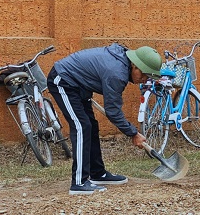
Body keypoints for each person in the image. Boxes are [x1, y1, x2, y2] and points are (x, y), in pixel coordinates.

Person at [47, 43, 162, 195]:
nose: (144, 79)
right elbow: (113, 111)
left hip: (79, 85)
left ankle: (97, 173)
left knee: (91, 126)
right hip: (63, 80)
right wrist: (133, 133)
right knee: (82, 126)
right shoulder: (117, 73)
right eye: (144, 74)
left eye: (148, 77)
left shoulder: (122, 64)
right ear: (135, 66)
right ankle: (79, 183)